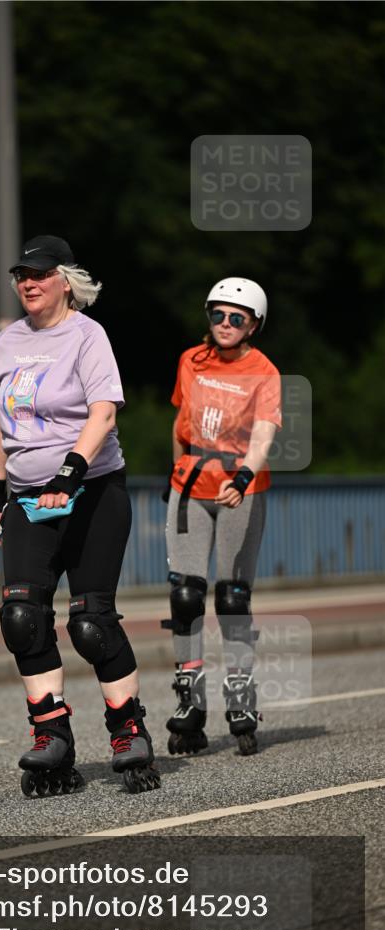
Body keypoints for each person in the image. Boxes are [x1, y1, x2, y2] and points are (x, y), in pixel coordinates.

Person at [0, 235, 159, 796]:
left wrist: (70, 473)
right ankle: (50, 733)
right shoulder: (6, 343)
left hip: (92, 490)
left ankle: (128, 728)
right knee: (21, 617)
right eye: (20, 275)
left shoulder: (88, 336)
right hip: (29, 496)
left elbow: (103, 411)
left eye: (39, 274)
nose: (28, 283)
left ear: (65, 281)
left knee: (90, 622)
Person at [162, 277, 281, 756]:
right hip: (191, 486)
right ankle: (190, 704)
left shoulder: (265, 371)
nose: (226, 324)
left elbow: (264, 435)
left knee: (231, 598)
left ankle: (240, 696)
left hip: (240, 489)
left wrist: (245, 477)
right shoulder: (191, 360)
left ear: (253, 325)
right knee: (185, 595)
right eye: (218, 315)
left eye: (237, 317)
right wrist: (174, 471)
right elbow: (180, 423)